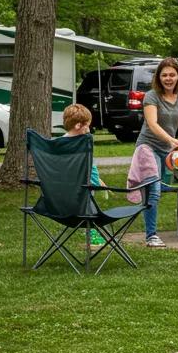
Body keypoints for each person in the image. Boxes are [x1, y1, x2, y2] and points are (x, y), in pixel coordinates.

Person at [134, 58, 178, 248]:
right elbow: (152, 124)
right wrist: (171, 140)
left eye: (172, 74)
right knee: (153, 190)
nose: (168, 79)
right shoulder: (151, 96)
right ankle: (151, 235)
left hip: (169, 150)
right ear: (158, 77)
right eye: (164, 75)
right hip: (148, 147)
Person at [62, 103, 106, 247]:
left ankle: (93, 231)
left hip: (60, 195)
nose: (89, 129)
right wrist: (96, 181)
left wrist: (97, 178)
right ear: (78, 125)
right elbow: (89, 167)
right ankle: (93, 233)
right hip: (82, 192)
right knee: (90, 205)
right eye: (87, 125)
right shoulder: (82, 144)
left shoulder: (58, 144)